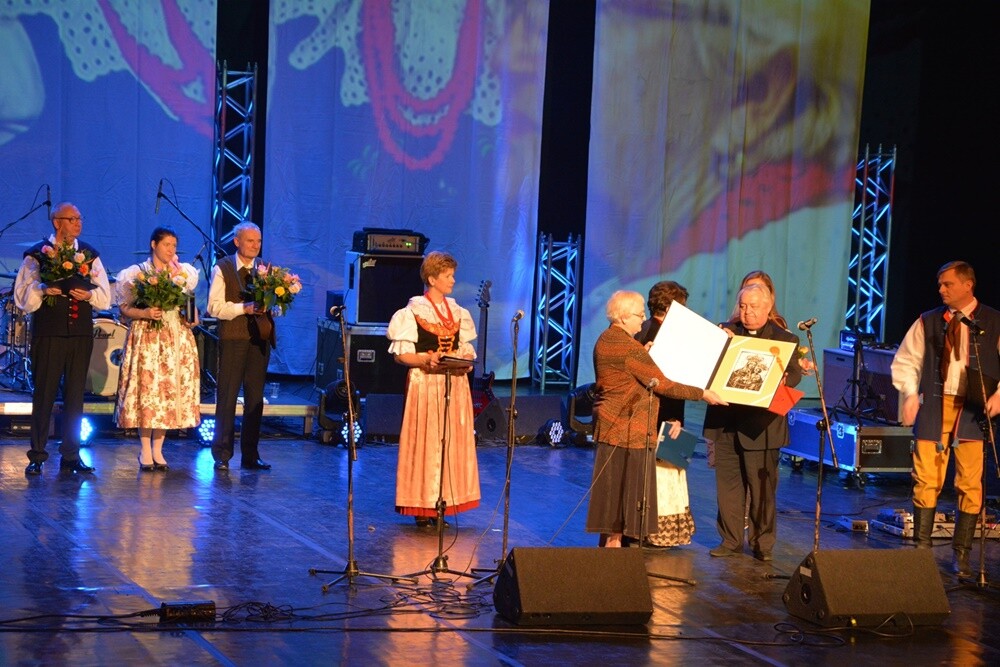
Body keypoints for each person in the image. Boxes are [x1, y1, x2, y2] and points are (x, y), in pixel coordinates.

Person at [587, 290, 725, 548]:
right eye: (639, 315)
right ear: (624, 317)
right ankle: (613, 556)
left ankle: (610, 552)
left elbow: (626, 371)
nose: (643, 319)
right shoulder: (628, 348)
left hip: (613, 427)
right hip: (628, 431)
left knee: (613, 500)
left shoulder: (607, 338)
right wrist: (703, 393)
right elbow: (664, 384)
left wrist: (643, 353)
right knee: (622, 500)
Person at [890, 261, 1000, 577]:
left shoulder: (992, 321)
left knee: (970, 482)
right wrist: (910, 394)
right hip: (936, 406)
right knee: (926, 477)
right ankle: (921, 551)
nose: (941, 289)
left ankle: (961, 555)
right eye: (940, 284)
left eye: (947, 284)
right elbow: (906, 361)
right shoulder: (928, 321)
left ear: (968, 285)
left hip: (973, 407)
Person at [703, 282, 802, 561]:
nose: (747, 312)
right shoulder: (726, 332)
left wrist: (785, 379)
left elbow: (794, 373)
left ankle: (762, 543)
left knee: (762, 490)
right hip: (725, 422)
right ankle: (730, 540)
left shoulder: (784, 339)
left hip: (762, 426)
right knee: (729, 487)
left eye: (754, 307)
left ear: (768, 307)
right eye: (743, 306)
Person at [14, 202, 112, 475]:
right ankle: (37, 455)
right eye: (72, 218)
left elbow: (105, 296)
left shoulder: (89, 254)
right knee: (44, 394)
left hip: (80, 334)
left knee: (75, 395)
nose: (78, 223)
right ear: (57, 222)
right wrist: (42, 289)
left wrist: (89, 295)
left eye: (80, 218)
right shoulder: (38, 255)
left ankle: (71, 454)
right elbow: (22, 298)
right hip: (49, 333)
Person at [387, 251, 479, 526]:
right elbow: (401, 356)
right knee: (426, 443)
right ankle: (422, 506)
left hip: (453, 384)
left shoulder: (458, 312)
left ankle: (444, 502)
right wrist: (426, 359)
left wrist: (464, 358)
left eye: (452, 275)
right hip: (425, 384)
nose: (453, 280)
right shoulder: (413, 312)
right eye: (448, 276)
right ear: (432, 279)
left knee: (450, 443)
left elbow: (465, 348)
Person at [114, 226, 200, 471]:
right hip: (148, 335)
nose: (171, 250)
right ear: (154, 245)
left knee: (166, 392)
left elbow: (188, 304)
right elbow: (124, 308)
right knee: (148, 390)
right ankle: (144, 449)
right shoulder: (137, 273)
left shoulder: (182, 273)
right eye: (166, 245)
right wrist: (145, 312)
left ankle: (158, 449)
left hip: (174, 335)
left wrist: (192, 316)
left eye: (174, 246)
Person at [635, 281, 698, 547]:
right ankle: (656, 532)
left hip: (643, 414)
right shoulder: (666, 336)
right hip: (661, 412)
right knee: (662, 474)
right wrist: (675, 417)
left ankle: (639, 528)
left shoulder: (641, 330)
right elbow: (669, 383)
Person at [207, 221, 274, 471]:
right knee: (227, 396)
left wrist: (274, 306)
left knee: (255, 398)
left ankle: (251, 455)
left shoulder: (266, 269)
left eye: (258, 241)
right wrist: (243, 308)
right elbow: (214, 307)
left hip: (259, 340)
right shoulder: (223, 268)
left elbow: (276, 305)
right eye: (250, 241)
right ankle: (222, 454)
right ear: (237, 242)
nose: (255, 246)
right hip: (233, 340)